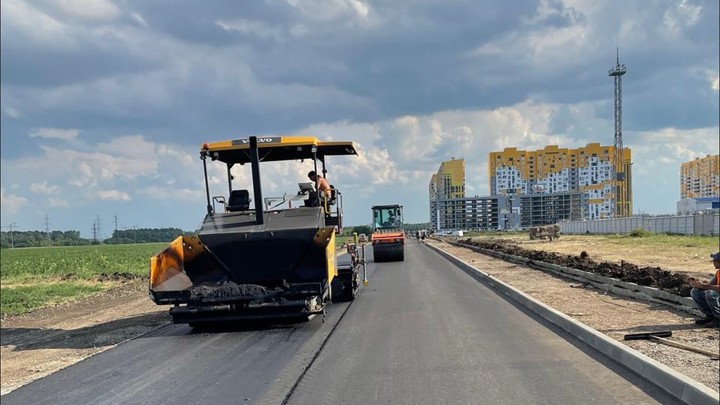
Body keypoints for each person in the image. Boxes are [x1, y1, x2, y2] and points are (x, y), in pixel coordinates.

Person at [689, 252, 720, 327]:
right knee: (695, 291)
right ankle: (711, 316)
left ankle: (718, 319)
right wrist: (698, 284)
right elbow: (711, 285)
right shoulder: (718, 272)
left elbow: (711, 288)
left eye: (714, 260)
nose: (713, 262)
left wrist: (704, 286)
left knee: (710, 293)